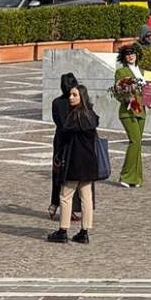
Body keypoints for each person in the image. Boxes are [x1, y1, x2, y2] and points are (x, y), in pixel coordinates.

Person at [47, 85, 101, 244]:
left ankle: (63, 230)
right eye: (70, 94)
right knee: (86, 197)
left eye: (74, 95)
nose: (70, 97)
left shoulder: (73, 118)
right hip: (89, 162)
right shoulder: (91, 116)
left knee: (65, 196)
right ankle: (85, 231)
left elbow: (64, 137)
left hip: (74, 161)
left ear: (81, 97)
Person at [49, 73, 87, 222]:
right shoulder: (76, 102)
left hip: (60, 140)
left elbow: (57, 121)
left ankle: (54, 204)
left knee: (58, 173)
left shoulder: (56, 102)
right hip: (72, 142)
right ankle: (72, 208)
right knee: (74, 176)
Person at [115, 43, 146, 188]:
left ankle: (137, 178)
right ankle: (125, 176)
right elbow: (118, 93)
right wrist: (127, 96)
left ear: (137, 54)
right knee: (135, 141)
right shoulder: (121, 72)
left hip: (141, 111)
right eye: (127, 54)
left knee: (138, 144)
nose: (130, 56)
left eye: (133, 53)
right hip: (128, 111)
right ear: (124, 57)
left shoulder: (143, 71)